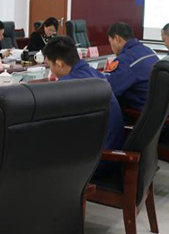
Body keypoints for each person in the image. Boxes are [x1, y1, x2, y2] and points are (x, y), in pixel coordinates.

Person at [42, 36, 124, 175]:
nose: (52, 70)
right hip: (112, 152)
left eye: (50, 66)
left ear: (59, 63)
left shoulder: (68, 85)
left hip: (96, 161)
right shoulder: (95, 73)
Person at [104, 22, 159, 111]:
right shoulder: (148, 51)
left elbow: (107, 88)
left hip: (137, 113)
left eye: (110, 42)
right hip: (155, 108)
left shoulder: (126, 60)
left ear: (117, 38)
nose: (111, 47)